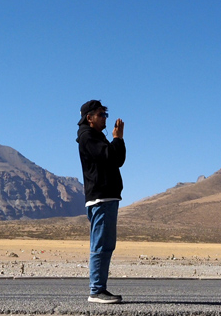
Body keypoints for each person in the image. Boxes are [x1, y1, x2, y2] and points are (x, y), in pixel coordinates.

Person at [76, 99, 126, 304]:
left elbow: (118, 160)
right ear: (89, 118)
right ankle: (96, 290)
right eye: (100, 114)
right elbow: (110, 157)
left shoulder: (98, 137)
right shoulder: (88, 137)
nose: (104, 118)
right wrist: (116, 139)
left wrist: (118, 140)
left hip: (107, 196)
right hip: (101, 197)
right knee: (100, 245)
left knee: (106, 244)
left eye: (105, 114)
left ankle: (100, 289)